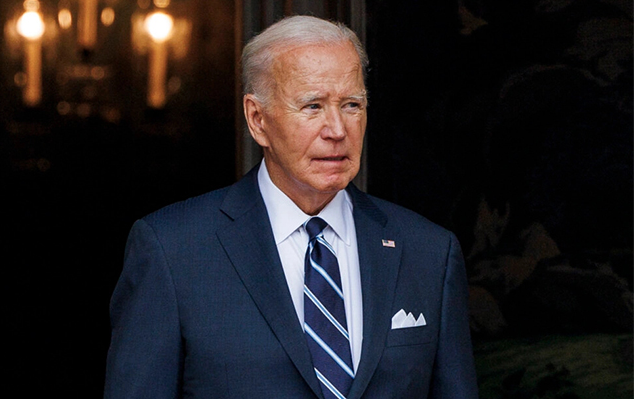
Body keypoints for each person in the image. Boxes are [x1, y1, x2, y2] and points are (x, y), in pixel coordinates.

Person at [104, 15, 478, 399]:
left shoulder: (429, 252)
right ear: (257, 119)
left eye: (351, 104)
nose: (336, 129)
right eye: (313, 106)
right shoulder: (173, 251)